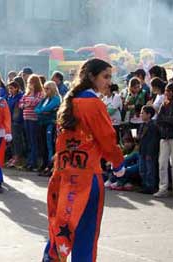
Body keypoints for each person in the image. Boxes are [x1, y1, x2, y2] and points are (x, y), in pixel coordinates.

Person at [43, 59, 124, 262]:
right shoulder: (93, 104)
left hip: (62, 176)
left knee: (60, 227)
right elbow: (107, 138)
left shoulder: (68, 102)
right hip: (87, 178)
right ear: (91, 77)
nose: (108, 82)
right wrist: (118, 164)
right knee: (85, 236)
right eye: (105, 76)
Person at [35, 81, 61, 176]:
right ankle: (45, 164)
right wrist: (42, 112)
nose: (45, 91)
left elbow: (45, 109)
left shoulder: (56, 99)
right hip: (42, 123)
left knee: (50, 145)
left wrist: (42, 112)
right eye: (45, 88)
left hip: (50, 124)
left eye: (47, 89)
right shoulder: (45, 99)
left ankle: (50, 166)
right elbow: (37, 109)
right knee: (43, 146)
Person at [19, 74, 44, 171]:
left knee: (33, 141)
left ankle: (34, 162)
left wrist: (27, 103)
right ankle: (29, 161)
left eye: (31, 83)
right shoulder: (27, 93)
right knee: (28, 141)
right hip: (26, 118)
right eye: (29, 83)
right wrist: (26, 104)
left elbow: (37, 102)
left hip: (34, 119)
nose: (29, 85)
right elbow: (21, 103)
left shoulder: (39, 93)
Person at [154, 82, 173, 198]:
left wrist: (165, 120)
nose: (167, 93)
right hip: (164, 136)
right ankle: (163, 188)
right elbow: (158, 120)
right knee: (162, 163)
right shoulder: (164, 104)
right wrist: (167, 120)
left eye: (169, 90)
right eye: (166, 90)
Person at [138, 105, 160, 194]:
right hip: (142, 149)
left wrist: (150, 153)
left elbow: (154, 140)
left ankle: (150, 186)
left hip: (149, 151)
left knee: (150, 170)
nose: (141, 115)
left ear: (149, 115)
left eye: (142, 113)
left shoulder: (154, 125)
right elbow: (140, 137)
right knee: (142, 169)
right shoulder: (142, 125)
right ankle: (144, 185)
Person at [6, 81, 24, 168]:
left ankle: (17, 157)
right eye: (9, 88)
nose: (10, 90)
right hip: (9, 121)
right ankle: (13, 156)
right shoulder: (10, 97)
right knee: (12, 140)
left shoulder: (20, 97)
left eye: (12, 88)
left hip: (16, 121)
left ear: (17, 88)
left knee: (17, 140)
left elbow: (18, 110)